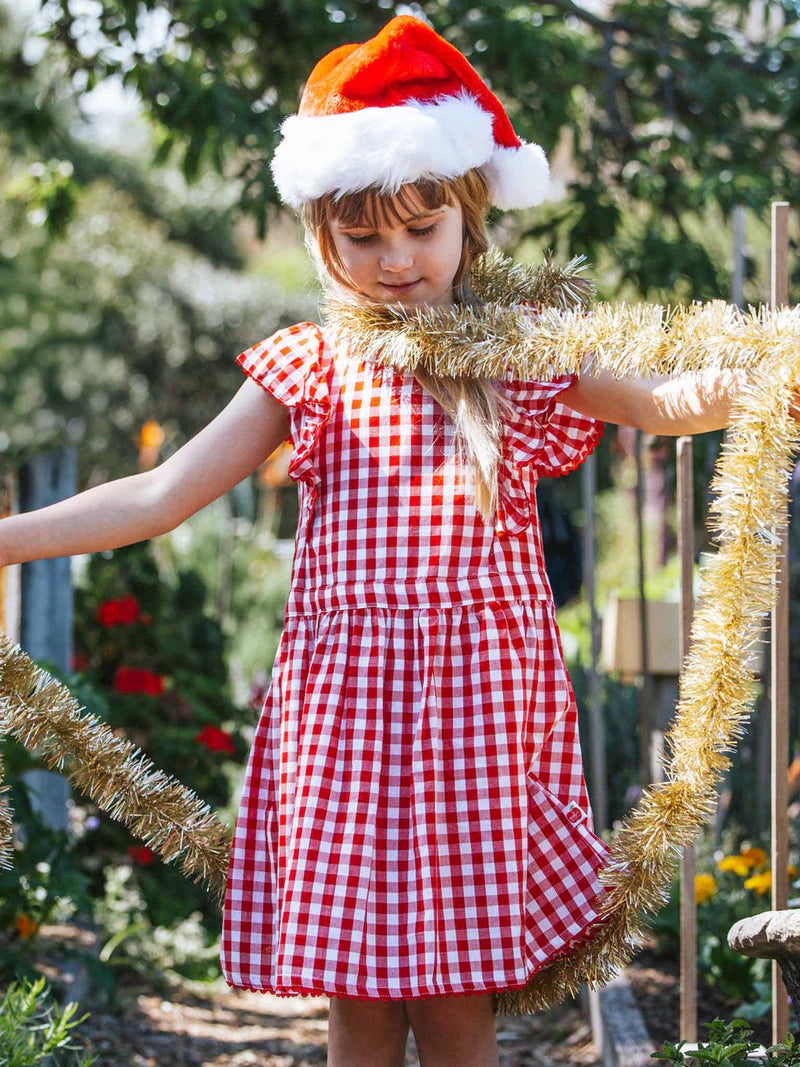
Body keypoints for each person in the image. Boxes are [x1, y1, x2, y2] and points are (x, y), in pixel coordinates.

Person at [0, 15, 786, 1067]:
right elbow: (160, 491)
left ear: (466, 216)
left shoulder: (515, 358)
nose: (395, 259)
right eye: (362, 238)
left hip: (475, 725)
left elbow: (664, 399)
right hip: (346, 730)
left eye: (418, 229)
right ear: (322, 238)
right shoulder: (310, 367)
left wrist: (761, 373)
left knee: (455, 999)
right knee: (359, 1002)